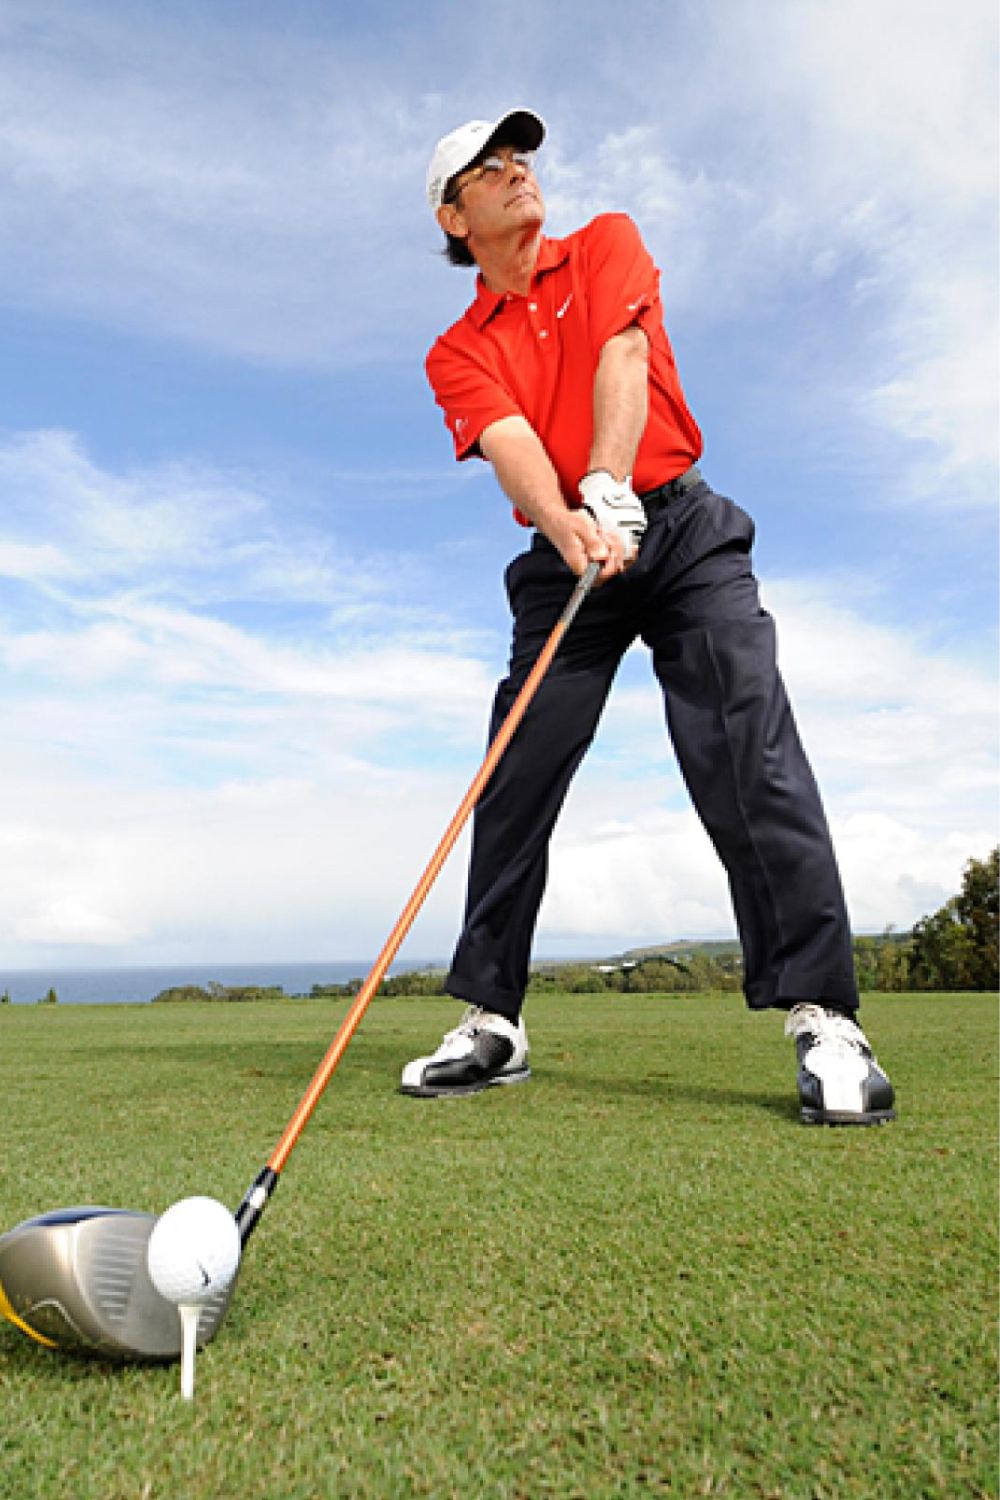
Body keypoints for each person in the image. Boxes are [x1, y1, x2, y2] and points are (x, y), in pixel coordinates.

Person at [402, 108, 895, 1126]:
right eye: (489, 170)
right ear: (455, 218)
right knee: (517, 770)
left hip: (677, 529)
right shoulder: (456, 348)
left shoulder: (608, 242)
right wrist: (571, 520)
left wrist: (608, 484)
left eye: (520, 157)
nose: (517, 173)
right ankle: (492, 1018)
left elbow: (621, 359)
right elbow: (505, 443)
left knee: (744, 749)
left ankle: (822, 1017)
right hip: (565, 554)